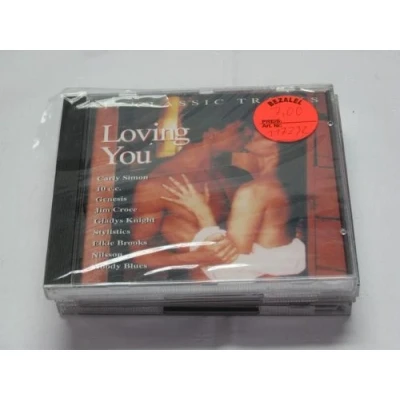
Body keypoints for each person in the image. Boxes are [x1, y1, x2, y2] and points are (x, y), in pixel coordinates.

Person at [161, 132, 306, 280]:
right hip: (271, 276)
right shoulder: (276, 184)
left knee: (172, 226)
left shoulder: (254, 191)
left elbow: (230, 269)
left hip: (250, 282)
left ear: (277, 146)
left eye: (264, 133)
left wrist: (202, 211)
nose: (254, 132)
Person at [130, 120, 254, 278]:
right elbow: (139, 254)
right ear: (211, 132)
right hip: (200, 285)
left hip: (250, 277)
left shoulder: (237, 175)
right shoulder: (159, 183)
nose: (249, 133)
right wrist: (195, 258)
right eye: (240, 129)